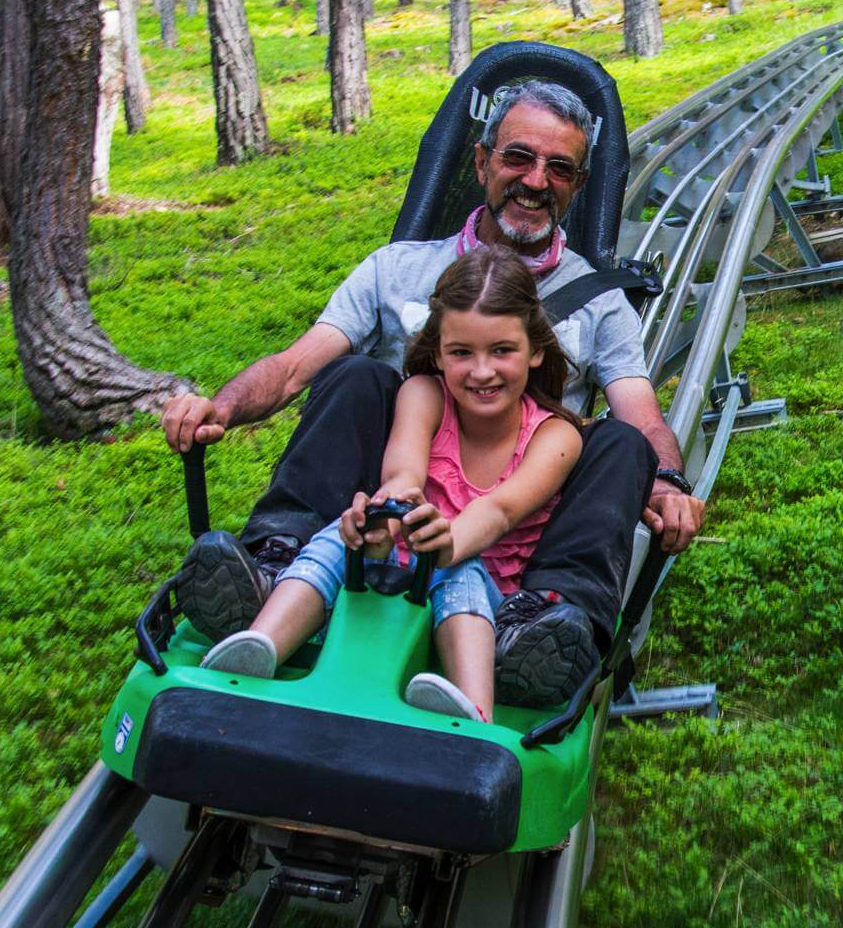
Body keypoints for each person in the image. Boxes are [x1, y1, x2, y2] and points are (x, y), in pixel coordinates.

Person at [160, 80, 706, 702]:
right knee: (356, 375)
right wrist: (222, 407)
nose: (535, 180)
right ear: (481, 161)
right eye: (518, 157)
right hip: (392, 501)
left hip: (527, 504)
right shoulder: (397, 269)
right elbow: (293, 367)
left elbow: (640, 414)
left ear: (577, 186)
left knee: (619, 445)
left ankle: (547, 620)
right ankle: (275, 564)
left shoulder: (601, 300)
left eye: (558, 168)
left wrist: (667, 483)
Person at [199, 248, 581, 722]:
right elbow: (403, 474)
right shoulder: (423, 394)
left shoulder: (555, 436)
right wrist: (380, 515)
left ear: (535, 350)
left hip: (485, 595)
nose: (482, 372)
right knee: (334, 539)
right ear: (438, 353)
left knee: (458, 570)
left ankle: (474, 707)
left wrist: (445, 545)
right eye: (461, 352)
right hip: (403, 563)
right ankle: (260, 647)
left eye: (502, 351)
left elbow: (499, 511)